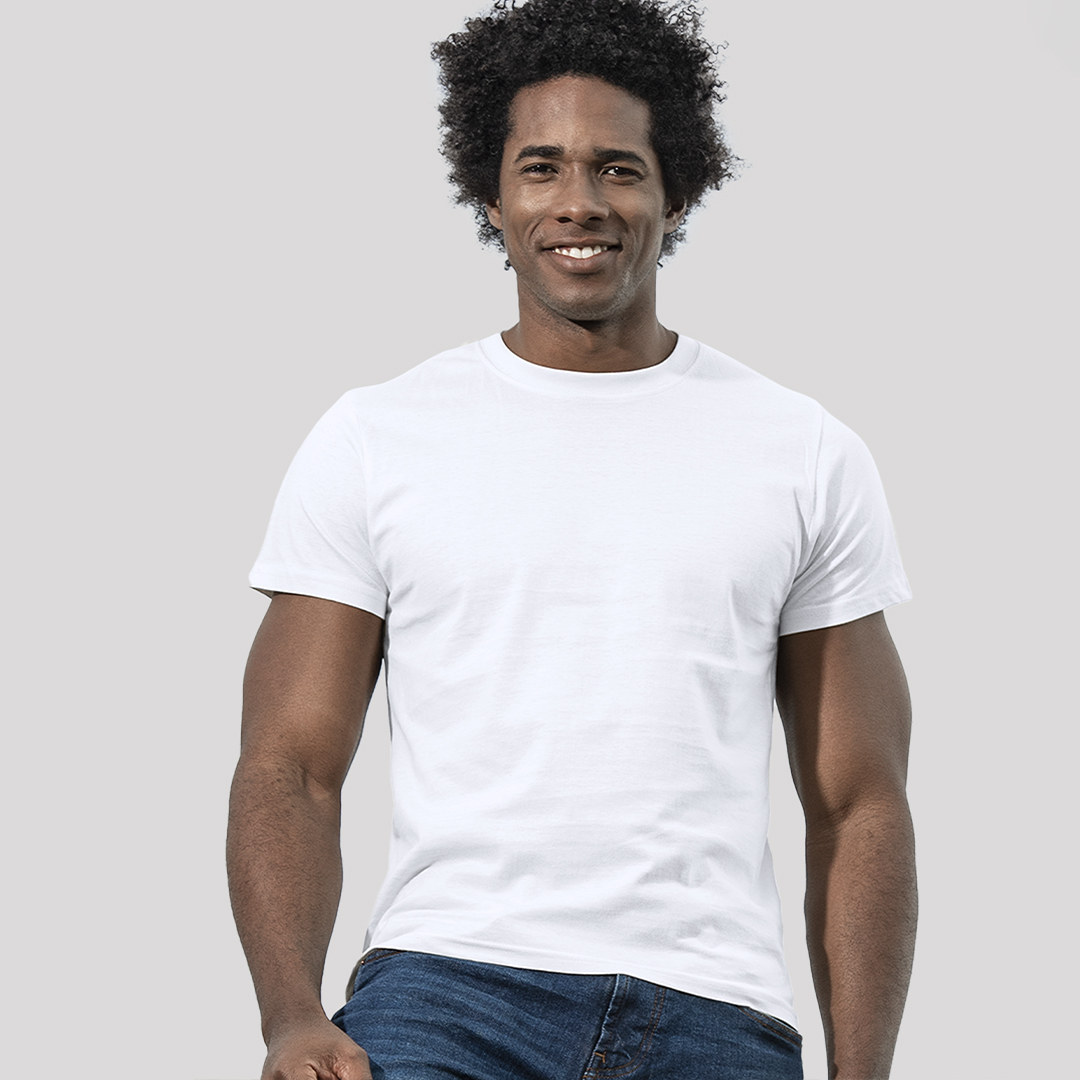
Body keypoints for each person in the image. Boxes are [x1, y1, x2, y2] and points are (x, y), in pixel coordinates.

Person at [226, 1, 917, 1077]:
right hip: (448, 992)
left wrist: (862, 1073)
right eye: (540, 168)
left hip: (713, 1010)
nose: (579, 202)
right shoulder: (377, 438)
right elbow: (291, 766)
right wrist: (290, 1016)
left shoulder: (802, 450)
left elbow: (859, 801)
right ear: (492, 196)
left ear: (676, 192)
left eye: (619, 169)